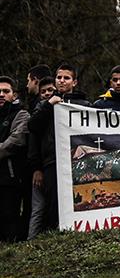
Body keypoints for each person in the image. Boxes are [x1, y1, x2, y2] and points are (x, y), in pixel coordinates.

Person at [27, 64, 89, 232]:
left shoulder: (84, 104)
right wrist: (49, 104)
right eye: (59, 77)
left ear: (74, 82)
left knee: (78, 199)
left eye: (66, 78)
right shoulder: (44, 104)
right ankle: (55, 236)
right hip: (52, 161)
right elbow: (32, 126)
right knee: (53, 204)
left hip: (77, 161)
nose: (62, 81)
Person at [0, 76, 28, 242]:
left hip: (10, 177)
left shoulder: (21, 114)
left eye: (5, 91)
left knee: (8, 216)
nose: (1, 94)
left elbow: (16, 141)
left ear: (14, 95)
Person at [25, 76, 54, 239]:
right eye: (43, 91)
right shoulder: (37, 113)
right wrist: (36, 168)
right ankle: (31, 241)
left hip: (53, 164)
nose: (47, 94)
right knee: (39, 208)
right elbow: (33, 144)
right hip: (42, 167)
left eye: (50, 90)